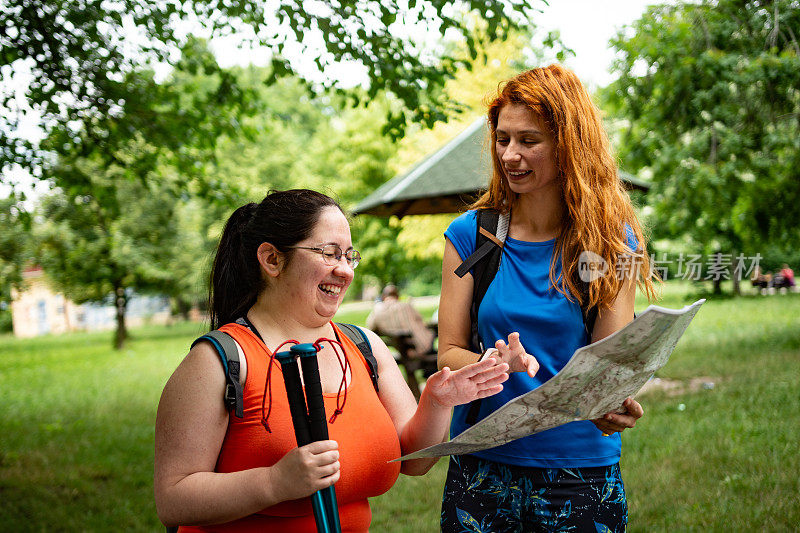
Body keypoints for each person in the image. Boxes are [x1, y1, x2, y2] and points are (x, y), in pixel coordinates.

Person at [154, 189, 509, 532]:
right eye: (329, 253)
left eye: (349, 256)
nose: (346, 271)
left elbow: (415, 461)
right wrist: (273, 483)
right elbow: (173, 499)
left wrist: (436, 402)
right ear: (272, 259)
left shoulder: (364, 346)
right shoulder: (219, 360)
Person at [437, 65, 658, 532]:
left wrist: (614, 403)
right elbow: (449, 353)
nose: (510, 155)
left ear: (568, 144)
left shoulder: (612, 243)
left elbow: (610, 363)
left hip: (580, 472)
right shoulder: (471, 235)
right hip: (482, 467)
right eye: (502, 140)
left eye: (528, 141)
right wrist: (496, 363)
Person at [366, 284, 435, 358]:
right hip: (420, 348)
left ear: (383, 297)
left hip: (400, 348)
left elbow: (371, 328)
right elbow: (422, 322)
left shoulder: (377, 310)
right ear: (397, 296)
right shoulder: (406, 306)